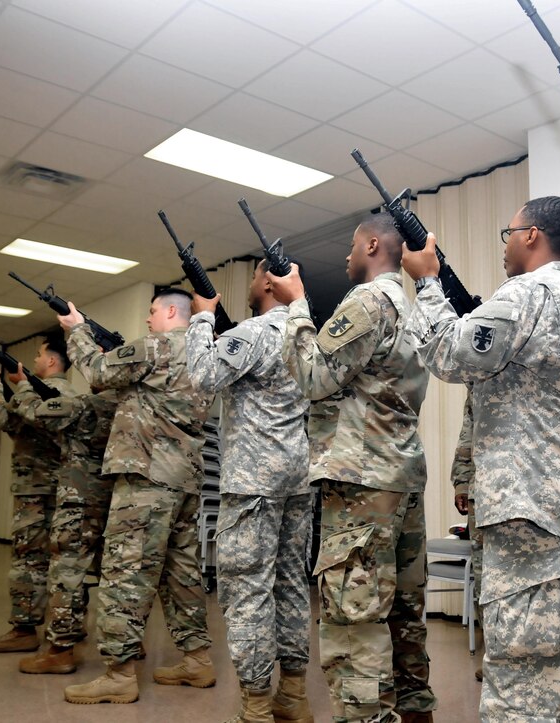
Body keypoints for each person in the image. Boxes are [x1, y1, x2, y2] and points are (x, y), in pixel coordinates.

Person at [401, 196, 560, 723]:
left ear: (531, 236)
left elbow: (450, 356)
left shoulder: (530, 292)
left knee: (523, 678)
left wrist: (429, 282)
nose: (505, 243)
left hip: (534, 514)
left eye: (509, 231)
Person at [266, 214, 436, 723]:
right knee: (403, 614)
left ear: (373, 244)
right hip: (399, 476)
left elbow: (315, 376)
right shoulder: (411, 307)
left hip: (362, 481)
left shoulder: (367, 301)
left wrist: (296, 305)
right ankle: (415, 712)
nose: (345, 256)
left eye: (351, 246)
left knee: (353, 617)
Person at [58, 288, 215, 705]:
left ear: (169, 312)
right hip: (185, 479)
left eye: (151, 312)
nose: (147, 320)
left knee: (126, 571)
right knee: (181, 574)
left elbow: (98, 372)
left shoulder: (156, 346)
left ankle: (119, 673)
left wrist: (77, 331)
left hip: (147, 477)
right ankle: (197, 659)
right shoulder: (205, 353)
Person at [186, 263, 314, 723]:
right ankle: (294, 697)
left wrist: (202, 316)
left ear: (266, 282)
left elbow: (202, 376)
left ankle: (257, 706)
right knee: (293, 584)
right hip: (298, 475)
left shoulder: (256, 332)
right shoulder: (307, 333)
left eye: (253, 275)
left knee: (247, 590)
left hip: (254, 481)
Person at [8, 376, 119, 675]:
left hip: (80, 498)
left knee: (67, 571)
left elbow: (37, 412)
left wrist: (22, 386)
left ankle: (61, 649)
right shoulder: (129, 404)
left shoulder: (88, 404)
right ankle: (126, 645)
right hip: (115, 498)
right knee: (115, 573)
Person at [0, 333, 75, 653]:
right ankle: (70, 626)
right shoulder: (69, 394)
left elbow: (7, 420)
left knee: (28, 560)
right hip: (62, 489)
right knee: (65, 561)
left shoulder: (36, 396)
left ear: (51, 361)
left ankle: (24, 629)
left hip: (35, 490)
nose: (33, 360)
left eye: (38, 355)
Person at [450, 391, 483, 683]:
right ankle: (493, 654)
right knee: (484, 581)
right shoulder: (479, 375)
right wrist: (462, 482)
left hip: (530, 494)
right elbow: (467, 431)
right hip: (483, 493)